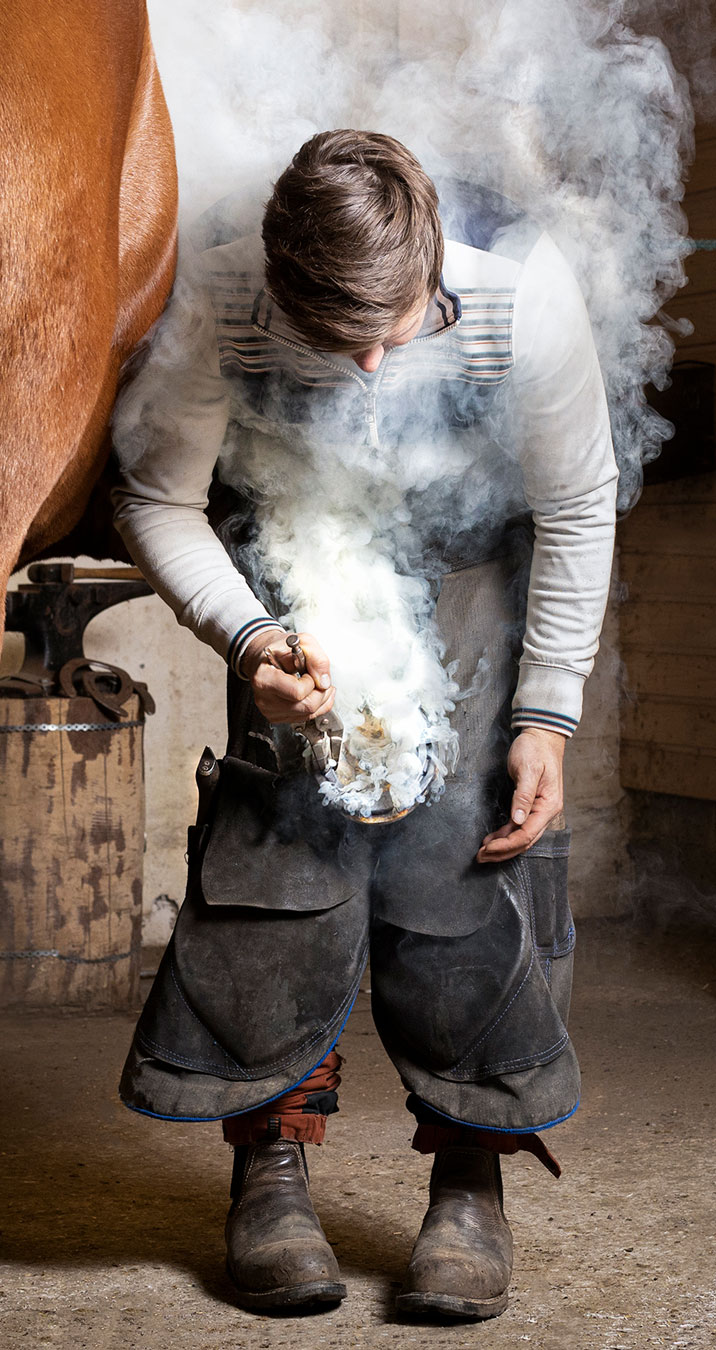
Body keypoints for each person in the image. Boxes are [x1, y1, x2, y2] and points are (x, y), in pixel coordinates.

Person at [111, 130, 617, 1320]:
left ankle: (471, 1175)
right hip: (293, 545)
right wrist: (249, 638)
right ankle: (271, 1165)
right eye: (346, 342)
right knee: (278, 845)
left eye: (400, 328)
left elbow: (580, 498)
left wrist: (546, 713)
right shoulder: (224, 284)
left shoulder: (517, 286)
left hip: (474, 557)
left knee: (468, 856)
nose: (381, 365)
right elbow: (159, 494)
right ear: (284, 284)